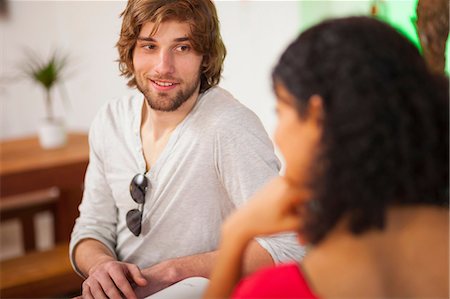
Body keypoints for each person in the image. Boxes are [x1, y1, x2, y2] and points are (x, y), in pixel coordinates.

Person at [69, 0, 304, 298]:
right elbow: (92, 227)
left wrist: (171, 273)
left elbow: (290, 244)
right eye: (149, 46)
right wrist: (101, 266)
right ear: (131, 52)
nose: (163, 67)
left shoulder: (228, 126)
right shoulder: (110, 121)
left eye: (182, 48)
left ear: (205, 56)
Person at [205, 16, 449, 299]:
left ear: (317, 119)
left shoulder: (279, 290)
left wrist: (237, 234)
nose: (278, 134)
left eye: (281, 111)